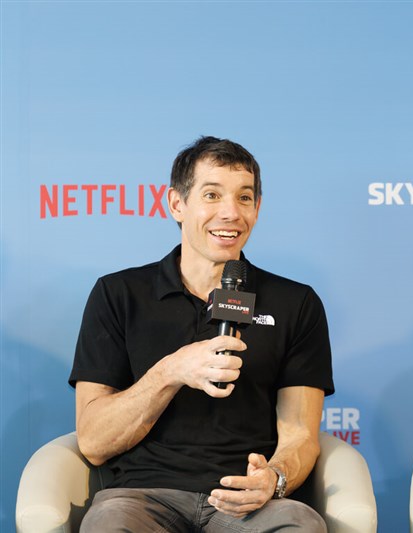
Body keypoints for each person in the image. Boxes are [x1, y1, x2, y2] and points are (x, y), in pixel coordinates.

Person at [69, 136, 334, 532]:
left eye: (244, 198)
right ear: (177, 203)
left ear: (257, 208)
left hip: (246, 503)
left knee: (299, 525)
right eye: (212, 195)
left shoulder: (295, 302)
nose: (230, 213)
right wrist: (170, 371)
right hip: (143, 497)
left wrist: (273, 479)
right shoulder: (119, 294)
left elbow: (300, 434)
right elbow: (92, 441)